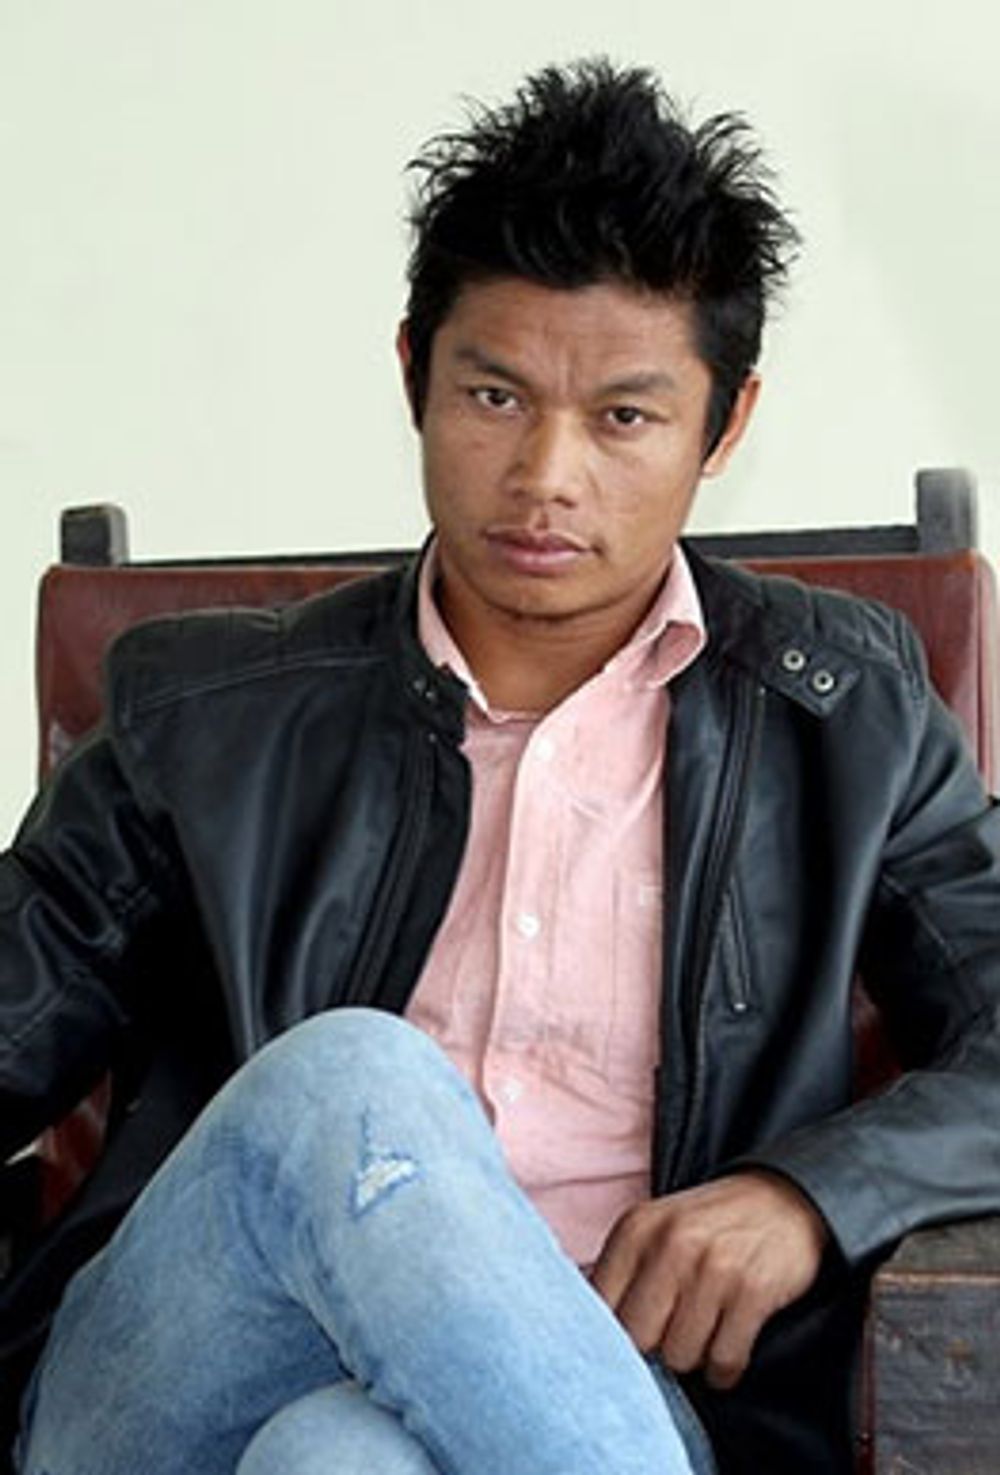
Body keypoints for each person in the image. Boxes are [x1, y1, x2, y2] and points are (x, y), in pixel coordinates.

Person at [3, 56, 1000, 1475]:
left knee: (343, 1460)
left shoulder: (845, 717)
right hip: (169, 1386)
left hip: (618, 1392)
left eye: (624, 418)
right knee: (353, 1078)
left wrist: (810, 1194)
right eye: (494, 396)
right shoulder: (209, 716)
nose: (546, 476)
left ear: (726, 424)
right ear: (413, 372)